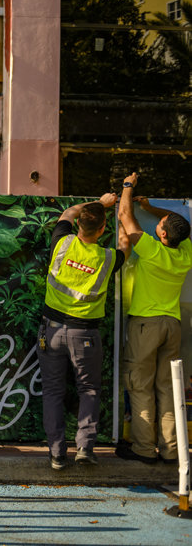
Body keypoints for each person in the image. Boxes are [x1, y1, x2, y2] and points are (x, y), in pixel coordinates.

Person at [38, 192, 130, 471]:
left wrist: (100, 204)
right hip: (85, 336)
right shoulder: (108, 257)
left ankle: (56, 454)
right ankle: (85, 449)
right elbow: (126, 243)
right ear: (103, 230)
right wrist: (122, 209)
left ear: (79, 225)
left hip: (51, 332)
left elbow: (67, 213)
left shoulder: (62, 242)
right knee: (88, 390)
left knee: (53, 391)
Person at [115, 172, 192, 465]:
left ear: (161, 235)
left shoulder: (150, 251)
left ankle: (144, 449)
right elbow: (176, 221)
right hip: (172, 325)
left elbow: (124, 213)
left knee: (140, 386)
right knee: (168, 387)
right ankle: (172, 450)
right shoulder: (185, 251)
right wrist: (152, 210)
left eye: (159, 225)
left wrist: (128, 186)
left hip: (146, 324)